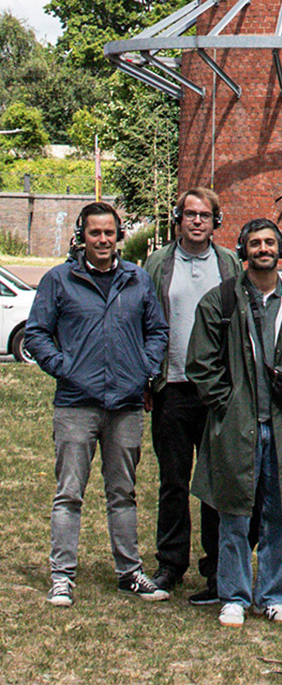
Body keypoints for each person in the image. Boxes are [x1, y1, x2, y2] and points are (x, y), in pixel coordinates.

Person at [27, 201, 171, 607]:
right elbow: (37, 333)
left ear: (119, 235)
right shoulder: (59, 280)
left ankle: (129, 572)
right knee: (69, 494)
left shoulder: (137, 280)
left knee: (123, 492)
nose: (103, 240)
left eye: (109, 232)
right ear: (82, 236)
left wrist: (143, 369)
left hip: (125, 405)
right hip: (76, 403)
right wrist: (65, 368)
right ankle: (62, 576)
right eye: (95, 233)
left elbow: (157, 331)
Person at [188, 218, 282, 628]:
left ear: (281, 249)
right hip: (237, 425)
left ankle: (273, 596)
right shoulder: (221, 301)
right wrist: (227, 405)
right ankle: (233, 595)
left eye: (269, 242)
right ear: (243, 250)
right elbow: (201, 363)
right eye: (255, 243)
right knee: (233, 513)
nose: (263, 249)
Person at [143, 187, 239, 603]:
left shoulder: (228, 263)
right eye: (190, 214)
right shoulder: (159, 263)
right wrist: (148, 379)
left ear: (216, 221)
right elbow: (145, 320)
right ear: (178, 219)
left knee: (216, 484)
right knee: (173, 481)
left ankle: (216, 567)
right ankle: (170, 563)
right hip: (172, 387)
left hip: (216, 389)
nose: (197, 221)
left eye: (205, 215)